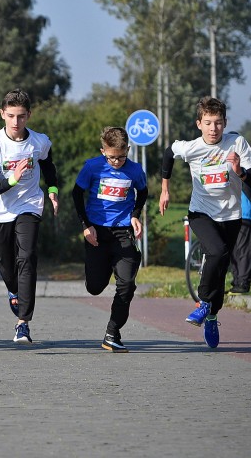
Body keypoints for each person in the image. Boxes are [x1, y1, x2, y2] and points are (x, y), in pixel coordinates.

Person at [160, 97, 251, 349]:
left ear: (225, 123)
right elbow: (168, 153)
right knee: (217, 252)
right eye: (208, 123)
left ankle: (212, 317)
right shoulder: (191, 147)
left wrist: (240, 172)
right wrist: (164, 190)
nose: (213, 128)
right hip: (200, 213)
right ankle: (204, 303)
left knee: (220, 270)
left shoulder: (237, 143)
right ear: (199, 124)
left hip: (231, 216)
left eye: (218, 122)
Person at [0, 88, 58, 345]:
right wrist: (12, 179)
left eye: (21, 116)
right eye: (11, 115)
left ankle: (23, 323)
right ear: (2, 114)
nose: (16, 122)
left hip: (29, 205)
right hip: (1, 210)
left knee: (27, 257)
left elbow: (48, 164)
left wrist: (53, 190)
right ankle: (13, 290)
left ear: (29, 115)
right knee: (6, 263)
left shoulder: (39, 141)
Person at [71, 126, 148, 353]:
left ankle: (112, 333)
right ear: (103, 151)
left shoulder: (135, 170)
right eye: (111, 157)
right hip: (97, 232)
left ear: (128, 150)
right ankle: (101, 269)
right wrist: (86, 226)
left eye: (121, 157)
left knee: (126, 285)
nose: (116, 162)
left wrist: (135, 215)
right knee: (95, 287)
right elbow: (77, 193)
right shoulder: (92, 167)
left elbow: (142, 192)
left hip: (123, 232)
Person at [228, 183, 251, 295]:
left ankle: (243, 283)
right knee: (234, 250)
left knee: (243, 249)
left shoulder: (247, 171)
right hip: (231, 213)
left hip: (244, 213)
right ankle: (237, 281)